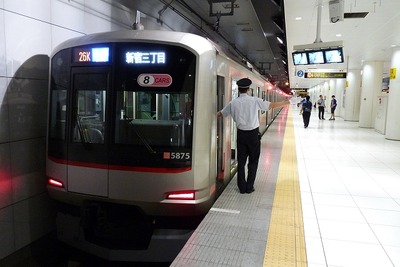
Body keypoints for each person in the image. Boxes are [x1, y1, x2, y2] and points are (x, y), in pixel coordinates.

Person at [216, 78, 290, 194]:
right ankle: (249, 187)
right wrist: (288, 102)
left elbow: (220, 114)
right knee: (253, 161)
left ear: (239, 90)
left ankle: (241, 187)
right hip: (253, 135)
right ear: (249, 89)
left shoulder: (233, 103)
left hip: (241, 135)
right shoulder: (254, 100)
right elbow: (271, 105)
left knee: (241, 162)